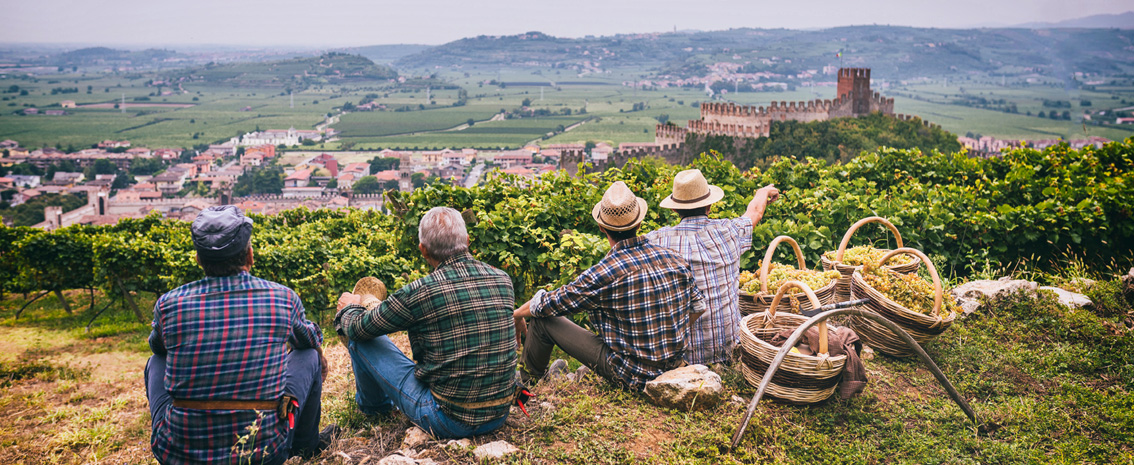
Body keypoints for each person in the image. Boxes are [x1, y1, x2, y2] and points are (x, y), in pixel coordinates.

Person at [146, 206, 330, 464]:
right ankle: (306, 446)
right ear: (250, 256)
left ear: (198, 259)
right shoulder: (282, 298)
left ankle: (174, 429)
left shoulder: (168, 304)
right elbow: (308, 341)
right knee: (309, 355)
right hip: (264, 452)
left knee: (156, 361)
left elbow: (157, 348)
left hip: (178, 454)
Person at [334, 206, 517, 438]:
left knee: (362, 341)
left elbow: (358, 329)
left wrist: (351, 306)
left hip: (447, 420)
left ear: (423, 250)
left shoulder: (420, 292)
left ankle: (375, 409)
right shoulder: (502, 279)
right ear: (467, 241)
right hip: (499, 414)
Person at [513, 181, 705, 391]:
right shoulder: (673, 257)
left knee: (543, 322)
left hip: (631, 374)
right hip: (675, 367)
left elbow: (550, 303)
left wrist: (517, 314)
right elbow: (698, 306)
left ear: (602, 227)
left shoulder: (604, 272)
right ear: (639, 223)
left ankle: (528, 386)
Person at [646, 169, 778, 365]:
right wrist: (762, 192)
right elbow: (755, 212)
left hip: (682, 358)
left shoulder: (656, 241)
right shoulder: (729, 231)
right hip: (727, 351)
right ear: (709, 205)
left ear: (674, 209)